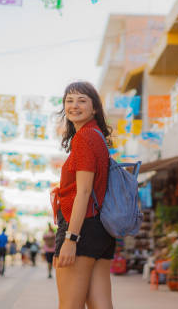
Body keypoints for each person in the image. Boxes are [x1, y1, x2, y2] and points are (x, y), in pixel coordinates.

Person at [51, 81, 114, 309]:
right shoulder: (97, 135)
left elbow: (84, 191)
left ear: (94, 107)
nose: (74, 106)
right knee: (101, 305)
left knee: (69, 305)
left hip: (81, 227)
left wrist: (71, 238)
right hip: (101, 230)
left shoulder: (85, 137)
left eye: (82, 100)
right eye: (69, 100)